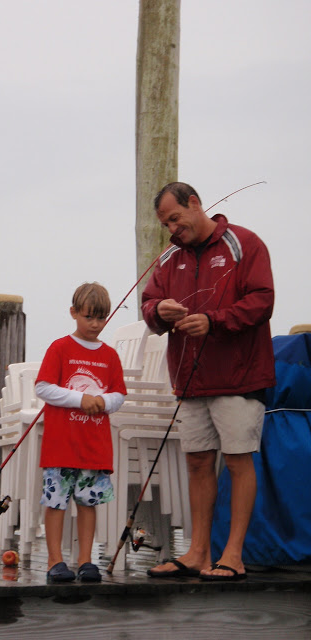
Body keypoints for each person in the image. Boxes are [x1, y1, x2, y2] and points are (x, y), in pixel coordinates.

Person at [141, 182, 275, 582]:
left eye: (175, 219)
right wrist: (158, 310)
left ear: (195, 204)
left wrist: (214, 321)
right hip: (190, 379)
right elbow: (148, 304)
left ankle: (233, 555)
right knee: (198, 462)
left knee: (237, 460)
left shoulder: (245, 243)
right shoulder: (169, 258)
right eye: (165, 224)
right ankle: (199, 552)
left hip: (239, 377)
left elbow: (262, 300)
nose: (172, 229)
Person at [35, 282, 127, 583]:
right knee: (55, 502)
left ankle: (86, 560)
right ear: (73, 313)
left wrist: (103, 402)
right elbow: (43, 388)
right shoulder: (59, 348)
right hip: (60, 447)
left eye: (101, 318)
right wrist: (80, 399)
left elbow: (119, 395)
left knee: (89, 503)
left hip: (94, 447)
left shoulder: (110, 355)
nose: (95, 324)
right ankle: (55, 560)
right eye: (89, 317)